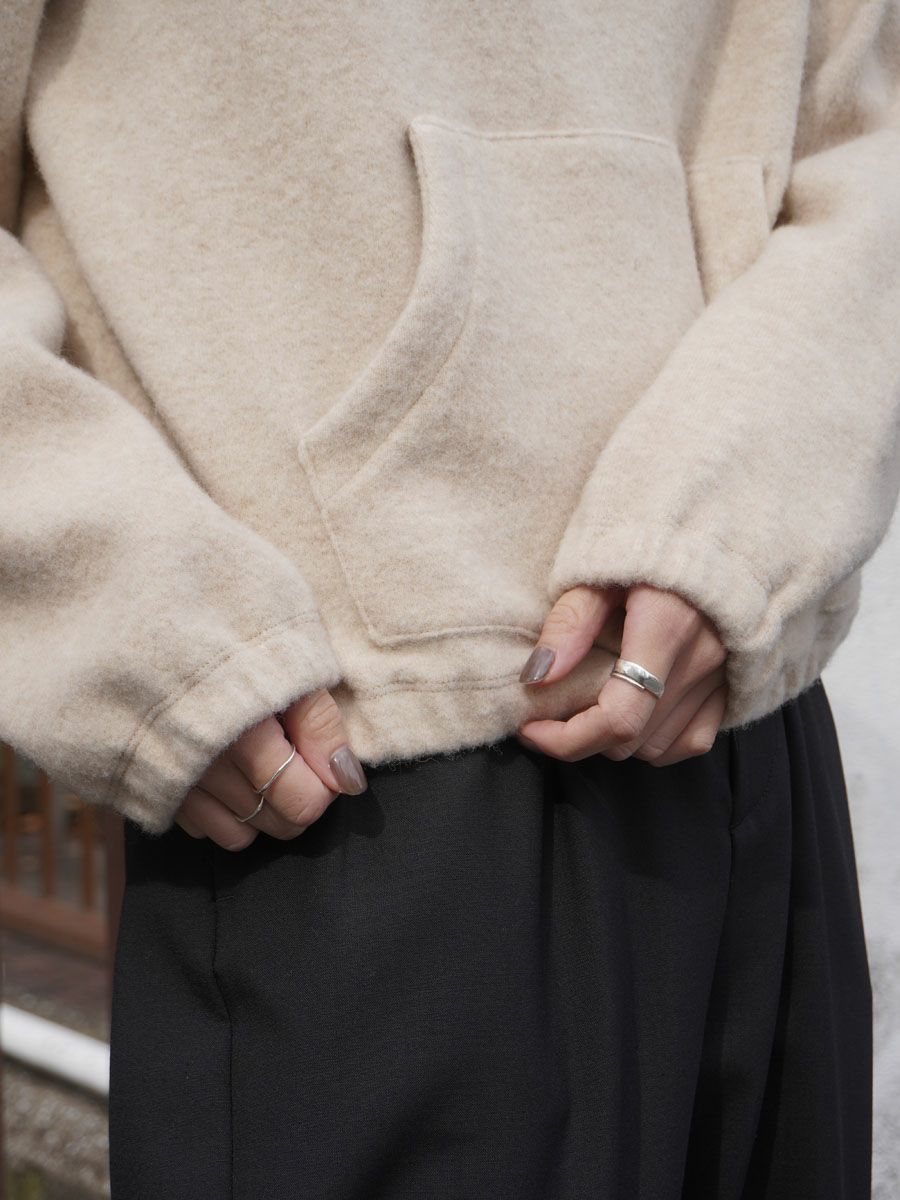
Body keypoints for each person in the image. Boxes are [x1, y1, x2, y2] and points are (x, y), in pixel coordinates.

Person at [2, 1, 897, 1196]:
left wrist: (744, 522)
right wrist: (140, 615)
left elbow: (866, 141)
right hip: (349, 797)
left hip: (743, 729)